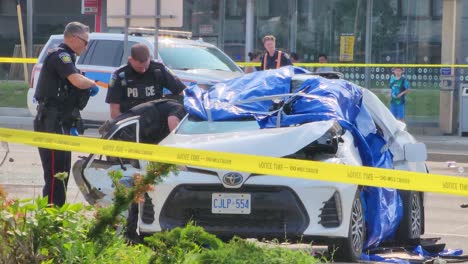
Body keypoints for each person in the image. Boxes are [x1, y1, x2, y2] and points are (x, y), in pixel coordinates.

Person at [33, 21, 100, 206]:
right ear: (72, 38)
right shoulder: (60, 56)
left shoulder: (68, 57)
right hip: (50, 121)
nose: (86, 46)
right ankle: (51, 217)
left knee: (62, 173)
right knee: (55, 174)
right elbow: (77, 81)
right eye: (84, 42)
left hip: (60, 121)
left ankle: (58, 215)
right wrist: (92, 84)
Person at [105, 43, 185, 119]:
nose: (143, 70)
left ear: (150, 58)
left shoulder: (159, 69)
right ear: (130, 60)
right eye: (139, 67)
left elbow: (181, 91)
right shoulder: (120, 75)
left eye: (146, 66)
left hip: (156, 119)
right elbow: (114, 113)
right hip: (131, 121)